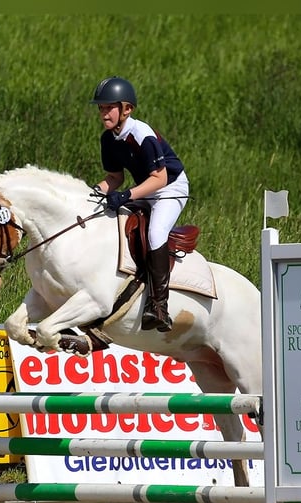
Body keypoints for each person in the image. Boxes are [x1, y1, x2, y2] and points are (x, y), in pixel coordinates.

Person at [89, 76, 189, 332]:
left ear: (127, 109)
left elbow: (160, 177)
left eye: (109, 107)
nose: (103, 113)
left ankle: (159, 307)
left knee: (156, 233)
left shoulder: (141, 134)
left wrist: (126, 195)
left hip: (170, 188)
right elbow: (115, 178)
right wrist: (94, 193)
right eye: (101, 108)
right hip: (145, 188)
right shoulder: (108, 139)